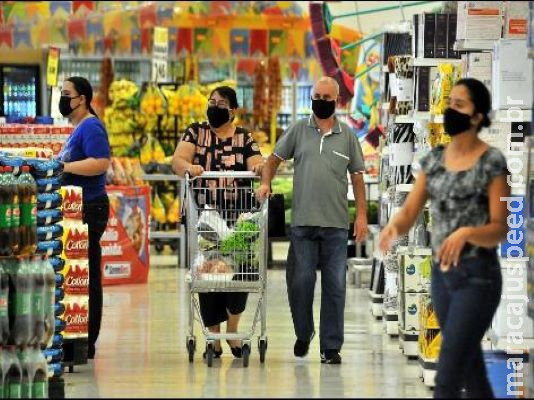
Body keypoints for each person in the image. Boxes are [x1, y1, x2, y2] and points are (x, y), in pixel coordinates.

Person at [379, 78, 509, 398]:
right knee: (472, 370)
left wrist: (466, 233)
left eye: (460, 105)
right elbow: (410, 211)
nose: (451, 111)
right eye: (449, 103)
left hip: (478, 278)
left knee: (447, 374)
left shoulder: (492, 162)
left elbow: (500, 228)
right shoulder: (434, 160)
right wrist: (392, 229)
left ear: (477, 116)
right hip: (442, 277)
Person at [256, 76, 369, 365]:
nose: (319, 101)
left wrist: (362, 217)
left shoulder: (348, 136)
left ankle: (331, 347)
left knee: (336, 286)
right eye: (316, 96)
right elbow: (272, 159)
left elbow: (357, 177)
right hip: (303, 224)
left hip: (336, 224)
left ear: (336, 100)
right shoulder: (298, 130)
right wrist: (266, 183)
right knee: (300, 282)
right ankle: (304, 333)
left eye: (325, 97)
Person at [172, 86, 264, 359]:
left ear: (232, 110)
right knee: (209, 277)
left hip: (239, 219)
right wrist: (189, 168)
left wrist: (260, 168)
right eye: (211, 101)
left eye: (221, 103)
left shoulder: (244, 137)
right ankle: (213, 339)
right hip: (205, 217)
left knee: (242, 274)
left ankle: (233, 331)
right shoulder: (195, 132)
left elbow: (257, 161)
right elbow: (178, 161)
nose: (214, 106)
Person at [57, 77, 111, 360]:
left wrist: (64, 166)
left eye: (67, 94)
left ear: (82, 99)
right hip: (80, 208)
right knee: (80, 275)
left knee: (87, 275)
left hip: (90, 207)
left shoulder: (91, 126)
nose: (63, 99)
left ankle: (87, 339)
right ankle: (78, 337)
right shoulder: (78, 127)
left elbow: (101, 162)